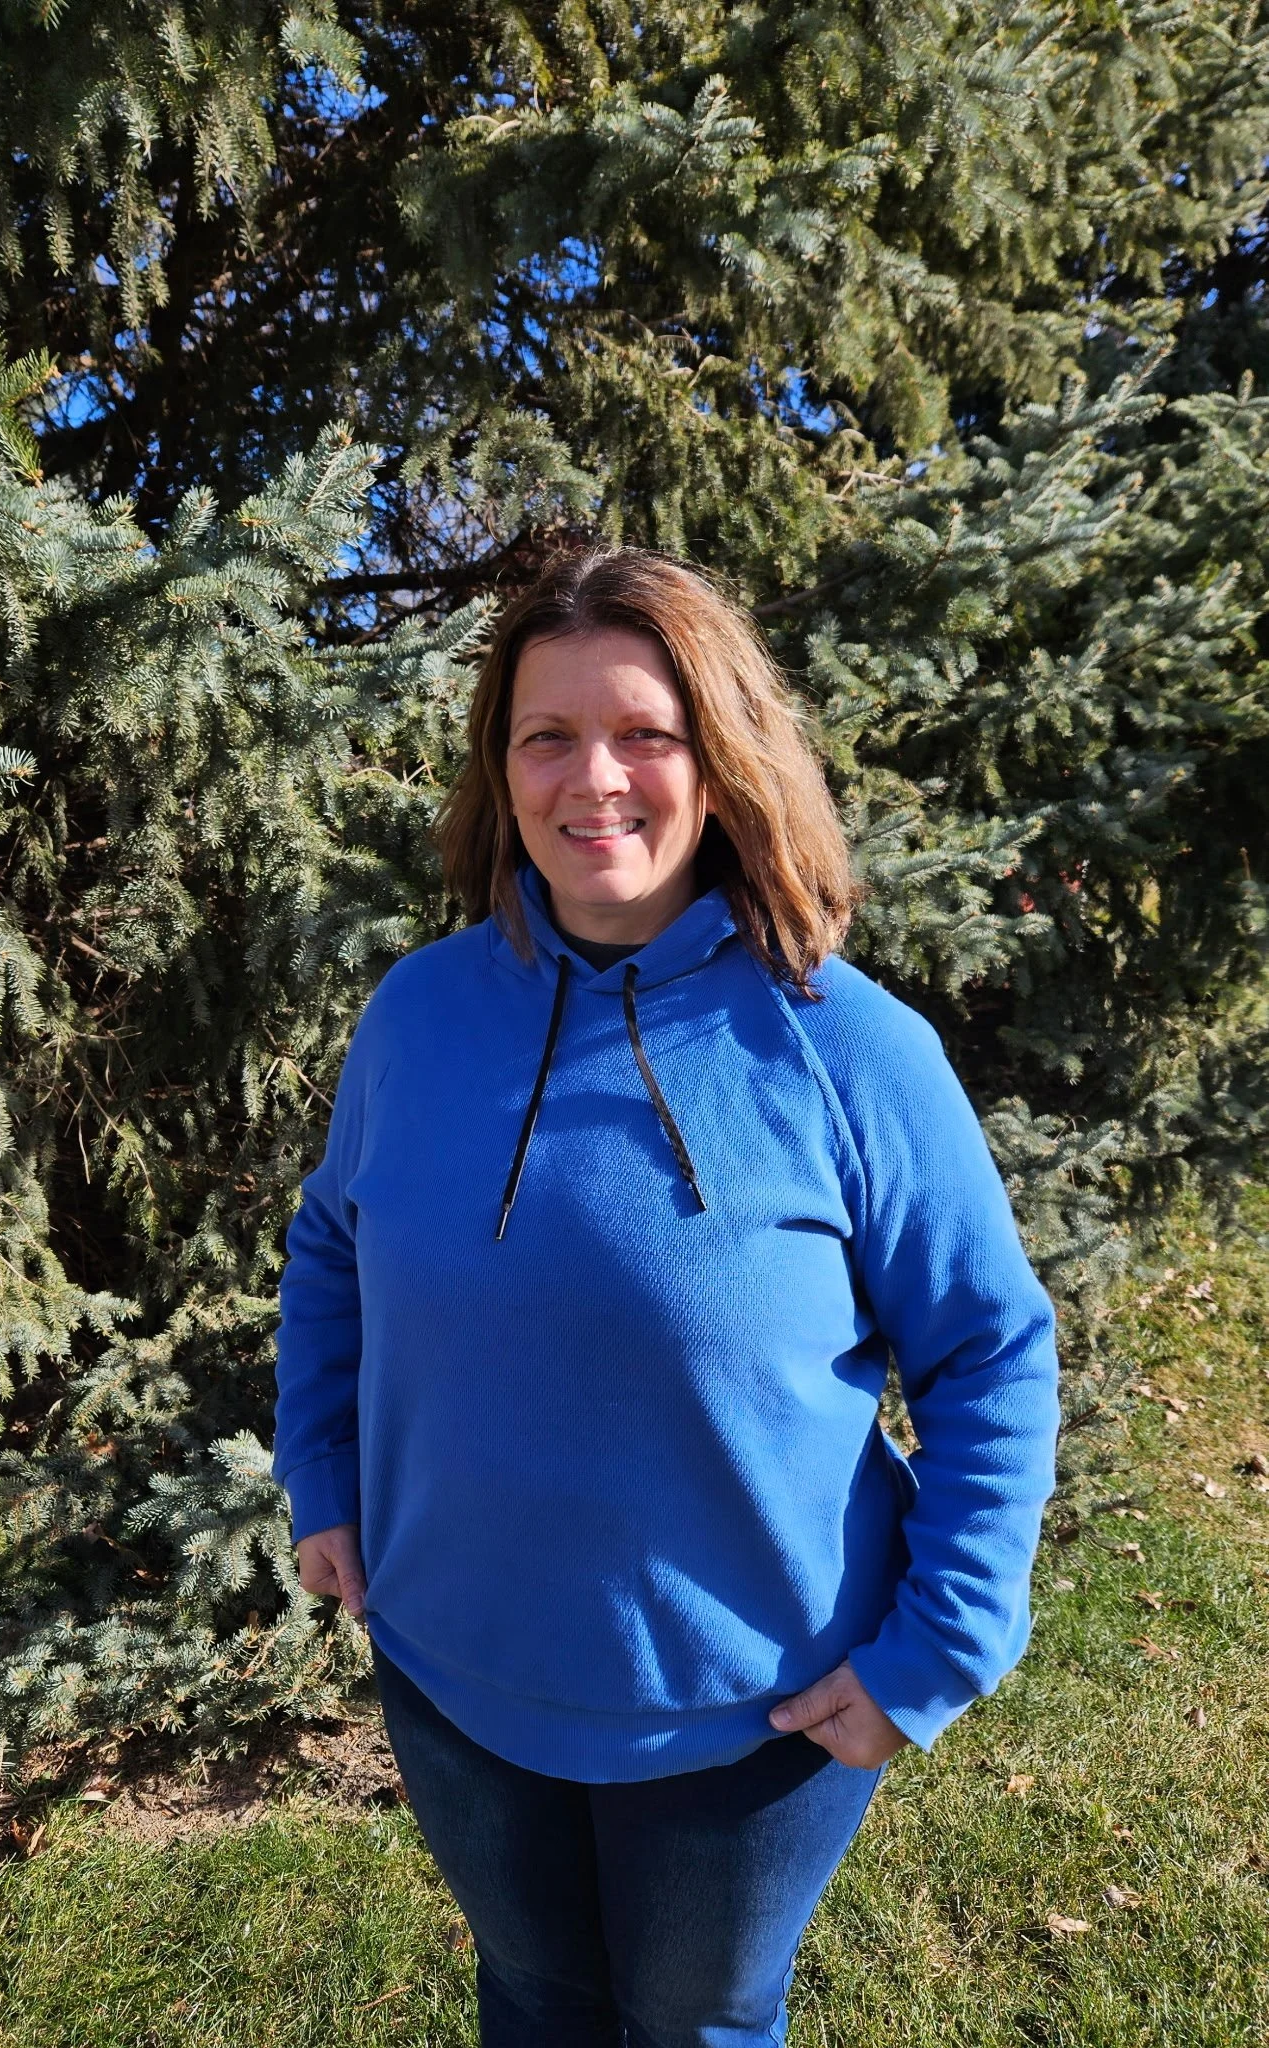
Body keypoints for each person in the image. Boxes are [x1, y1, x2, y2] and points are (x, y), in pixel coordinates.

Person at [272, 548, 1062, 2048]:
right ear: (498, 772)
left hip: (753, 1717)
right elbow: (330, 1250)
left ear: (719, 756)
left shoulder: (843, 1042)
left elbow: (987, 1350)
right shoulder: (420, 1014)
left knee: (697, 2027)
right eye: (546, 736)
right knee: (537, 2000)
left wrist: (936, 1653)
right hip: (451, 1672)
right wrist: (319, 1476)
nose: (596, 780)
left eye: (645, 732)